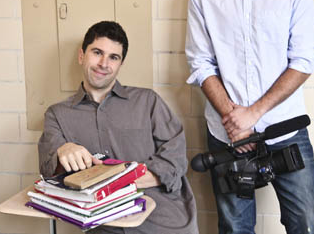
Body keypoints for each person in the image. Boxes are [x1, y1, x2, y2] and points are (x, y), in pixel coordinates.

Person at [185, 0, 314, 234]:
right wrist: (235, 121)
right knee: (234, 228)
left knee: (305, 225)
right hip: (227, 135)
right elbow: (200, 62)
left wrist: (253, 114)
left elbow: (304, 58)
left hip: (284, 130)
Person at [38, 21, 199, 234]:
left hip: (161, 221)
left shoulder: (148, 101)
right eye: (97, 52)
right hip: (103, 226)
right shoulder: (57, 114)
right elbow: (48, 170)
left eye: (114, 57)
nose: (104, 63)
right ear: (81, 56)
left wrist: (114, 183)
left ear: (120, 64)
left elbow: (175, 161)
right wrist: (62, 150)